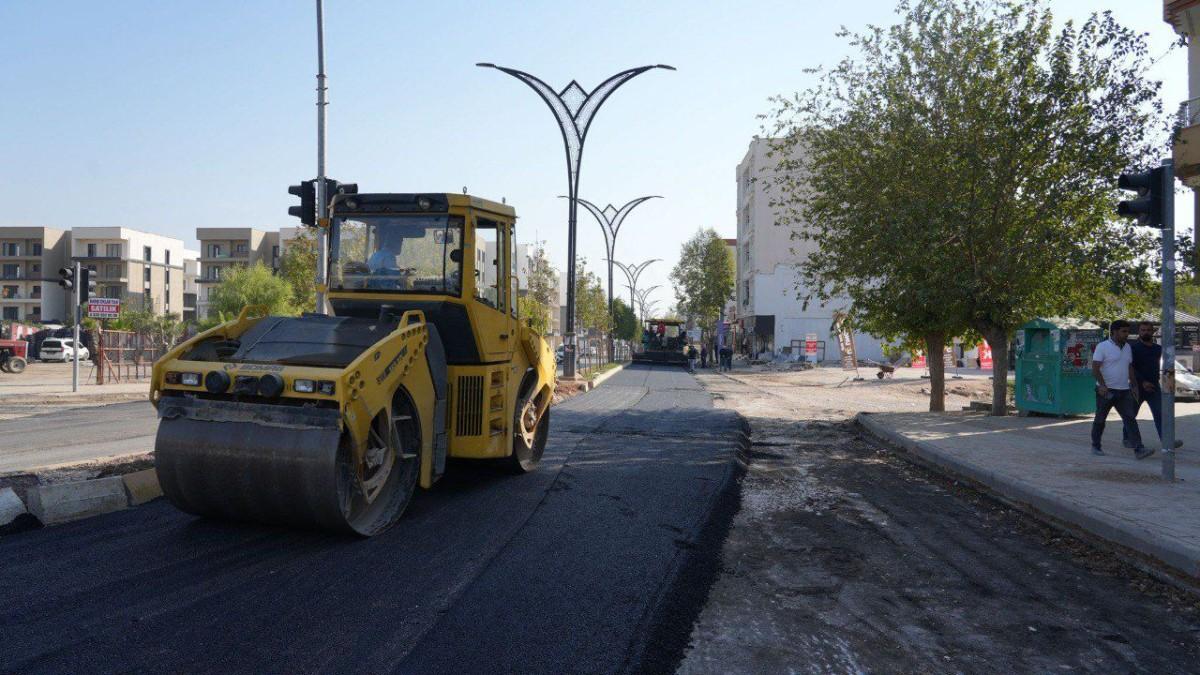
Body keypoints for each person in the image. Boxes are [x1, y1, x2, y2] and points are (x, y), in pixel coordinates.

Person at [1091, 319, 1152, 459]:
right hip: (1106, 391)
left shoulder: (1127, 347)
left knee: (1130, 419)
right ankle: (1096, 446)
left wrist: (1134, 385)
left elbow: (1129, 366)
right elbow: (1095, 368)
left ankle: (1139, 449)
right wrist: (1102, 385)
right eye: (1124, 331)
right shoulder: (1103, 346)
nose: (1127, 334)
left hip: (1124, 391)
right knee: (1100, 419)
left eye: (1128, 331)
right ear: (1114, 332)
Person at [1124, 321, 1183, 450]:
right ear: (1139, 332)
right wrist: (1142, 382)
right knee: (1131, 414)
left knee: (1161, 414)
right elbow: (1130, 367)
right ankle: (1127, 438)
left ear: (1153, 332)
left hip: (1154, 387)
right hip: (1137, 387)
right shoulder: (1132, 348)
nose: (1146, 332)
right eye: (1143, 330)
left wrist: (1169, 386)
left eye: (1148, 330)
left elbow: (1167, 366)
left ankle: (1166, 441)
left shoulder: (1157, 349)